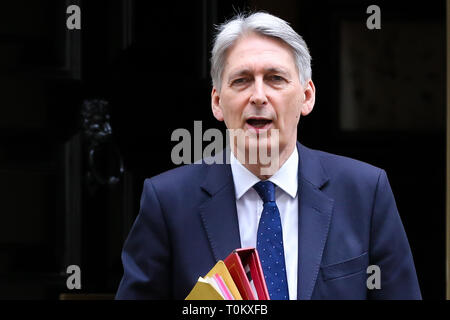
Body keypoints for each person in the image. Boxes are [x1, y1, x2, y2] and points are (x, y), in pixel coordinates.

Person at [115, 11, 421, 300]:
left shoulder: (366, 192)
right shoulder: (167, 202)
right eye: (242, 80)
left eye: (275, 78)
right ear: (217, 102)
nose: (258, 96)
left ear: (307, 96)